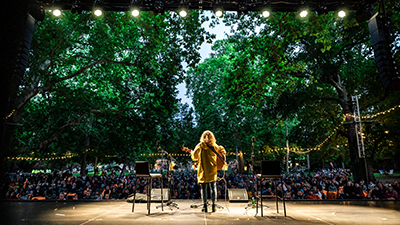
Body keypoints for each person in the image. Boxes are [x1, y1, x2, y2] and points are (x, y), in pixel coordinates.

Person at [191, 130, 226, 212]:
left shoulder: (199, 146)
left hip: (203, 171)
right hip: (212, 170)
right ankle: (213, 206)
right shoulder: (214, 146)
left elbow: (194, 157)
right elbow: (223, 152)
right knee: (213, 188)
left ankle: (205, 206)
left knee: (203, 189)